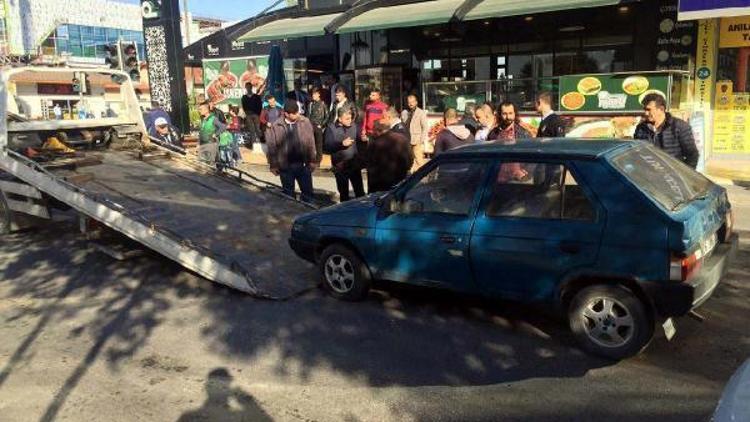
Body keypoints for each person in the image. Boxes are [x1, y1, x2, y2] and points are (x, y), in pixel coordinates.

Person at [265, 101, 317, 202]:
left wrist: (312, 161)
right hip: (285, 167)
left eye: (297, 112)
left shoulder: (305, 122)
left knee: (308, 195)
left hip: (303, 165)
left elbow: (311, 142)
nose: (297, 115)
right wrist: (273, 165)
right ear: (286, 114)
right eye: (294, 113)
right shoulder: (276, 126)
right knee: (289, 197)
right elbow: (272, 147)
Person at [634, 93, 699, 168]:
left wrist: (684, 176)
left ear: (661, 109)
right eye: (645, 109)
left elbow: (692, 155)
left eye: (649, 110)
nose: (646, 113)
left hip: (673, 175)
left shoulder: (679, 127)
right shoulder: (641, 128)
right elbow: (637, 153)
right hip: (649, 175)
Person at [324, 108, 365, 202]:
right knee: (344, 194)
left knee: (360, 193)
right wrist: (341, 144)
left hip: (354, 165)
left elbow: (361, 141)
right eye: (347, 119)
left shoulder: (355, 126)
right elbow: (327, 147)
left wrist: (364, 139)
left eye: (350, 118)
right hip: (340, 166)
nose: (349, 121)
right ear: (339, 119)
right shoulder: (331, 129)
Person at [366, 119, 413, 194]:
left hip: (380, 184)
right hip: (399, 180)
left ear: (378, 130)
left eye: (374, 130)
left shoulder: (376, 143)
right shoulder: (402, 139)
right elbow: (410, 159)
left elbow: (369, 163)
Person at [401, 94, 429, 171]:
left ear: (416, 102)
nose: (411, 104)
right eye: (409, 102)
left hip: (417, 140)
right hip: (407, 139)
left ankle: (422, 177)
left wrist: (421, 140)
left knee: (419, 160)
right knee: (410, 161)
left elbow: (425, 127)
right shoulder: (405, 112)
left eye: (412, 102)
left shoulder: (421, 112)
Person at [197, 101, 226, 166]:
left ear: (206, 110)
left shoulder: (213, 119)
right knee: (202, 165)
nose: (199, 111)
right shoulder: (203, 119)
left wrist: (216, 134)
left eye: (201, 109)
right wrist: (198, 143)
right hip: (202, 144)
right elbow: (201, 132)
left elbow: (223, 127)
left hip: (211, 144)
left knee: (210, 165)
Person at [307, 87, 328, 165]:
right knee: (310, 144)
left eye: (315, 94)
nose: (313, 95)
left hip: (318, 126)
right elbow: (307, 115)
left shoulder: (323, 104)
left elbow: (327, 116)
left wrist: (321, 125)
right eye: (312, 94)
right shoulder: (310, 104)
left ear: (319, 95)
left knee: (319, 144)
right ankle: (311, 159)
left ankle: (318, 161)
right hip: (310, 126)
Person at [241, 82, 264, 147]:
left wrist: (258, 114)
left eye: (249, 87)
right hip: (248, 115)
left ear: (251, 87)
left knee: (258, 129)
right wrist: (246, 113)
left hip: (256, 115)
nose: (248, 88)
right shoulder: (244, 97)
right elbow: (244, 106)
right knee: (251, 130)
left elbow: (260, 106)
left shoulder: (256, 96)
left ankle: (261, 142)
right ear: (246, 88)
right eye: (247, 87)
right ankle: (253, 144)